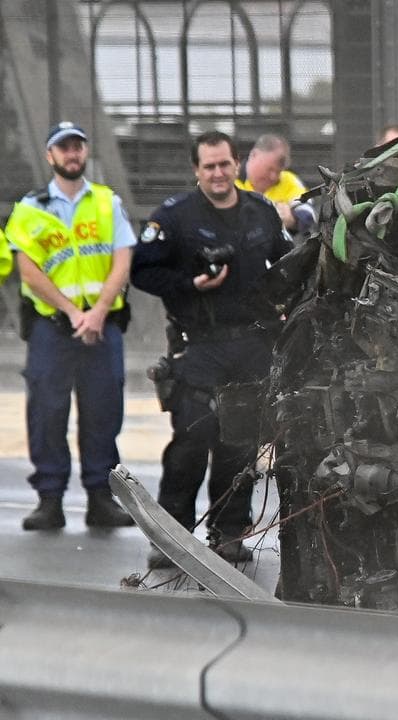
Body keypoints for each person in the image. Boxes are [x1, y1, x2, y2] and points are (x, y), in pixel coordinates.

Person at [132, 130, 292, 567]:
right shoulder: (175, 217)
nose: (218, 173)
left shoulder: (259, 211)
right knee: (190, 443)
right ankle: (171, 536)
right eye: (209, 167)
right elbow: (142, 272)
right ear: (196, 171)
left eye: (224, 164)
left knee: (238, 447)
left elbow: (286, 261)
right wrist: (189, 284)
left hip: (251, 345)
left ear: (236, 164)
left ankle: (228, 534)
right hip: (198, 347)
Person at [2, 121, 136, 530]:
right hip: (52, 327)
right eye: (63, 148)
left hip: (102, 325)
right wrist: (74, 312)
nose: (72, 154)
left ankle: (101, 498)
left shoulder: (106, 202)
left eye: (77, 146)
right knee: (47, 412)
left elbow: (122, 259)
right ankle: (50, 499)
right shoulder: (30, 209)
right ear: (50, 156)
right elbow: (29, 272)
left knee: (103, 411)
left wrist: (96, 313)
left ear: (85, 151)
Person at [235, 133, 316, 237]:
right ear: (254, 155)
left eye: (278, 171)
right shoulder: (231, 179)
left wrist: (292, 219)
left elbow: (309, 213)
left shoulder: (288, 180)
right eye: (270, 169)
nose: (273, 176)